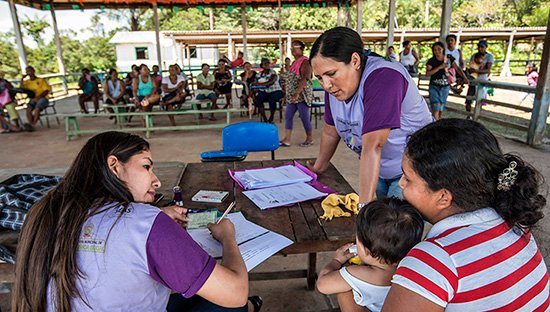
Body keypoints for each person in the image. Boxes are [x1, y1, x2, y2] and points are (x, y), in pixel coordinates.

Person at [12, 131, 263, 312]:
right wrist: (227, 237)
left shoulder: (43, 213)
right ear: (114, 166)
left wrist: (160, 216)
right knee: (232, 304)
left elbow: (98, 233)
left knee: (197, 292)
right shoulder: (144, 222)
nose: (155, 181)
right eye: (146, 167)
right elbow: (235, 292)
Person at [382, 118, 549, 311]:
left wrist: (349, 289)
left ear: (443, 197)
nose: (401, 184)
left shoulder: (434, 261)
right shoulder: (517, 224)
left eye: (408, 179)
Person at [308, 27, 432, 203]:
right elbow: (330, 131)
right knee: (384, 219)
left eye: (331, 74)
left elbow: (373, 147)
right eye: (320, 77)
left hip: (413, 172)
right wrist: (318, 168)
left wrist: (363, 208)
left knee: (393, 224)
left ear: (355, 60)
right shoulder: (335, 88)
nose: (326, 85)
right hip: (380, 168)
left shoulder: (384, 77)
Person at [316, 197, 424, 312]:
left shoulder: (358, 274)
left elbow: (322, 284)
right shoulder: (416, 272)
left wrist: (336, 261)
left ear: (365, 250)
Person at [279, 40, 314, 147]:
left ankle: (309, 138)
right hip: (292, 95)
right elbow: (293, 76)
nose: (293, 50)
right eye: (292, 48)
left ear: (302, 49)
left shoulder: (305, 62)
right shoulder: (294, 62)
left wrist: (297, 93)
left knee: (304, 116)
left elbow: (305, 77)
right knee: (288, 115)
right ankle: (287, 139)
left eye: (296, 47)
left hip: (300, 95)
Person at [425, 42, 468, 120]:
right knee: (436, 106)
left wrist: (464, 77)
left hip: (445, 87)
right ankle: (435, 123)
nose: (437, 52)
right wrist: (439, 67)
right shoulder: (431, 61)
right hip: (434, 86)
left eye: (439, 49)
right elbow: (428, 73)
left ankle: (437, 121)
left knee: (441, 106)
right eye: (435, 50)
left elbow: (457, 68)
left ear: (443, 49)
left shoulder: (449, 58)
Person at [464, 39, 494, 113]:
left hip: (482, 81)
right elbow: (470, 66)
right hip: (473, 80)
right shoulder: (474, 55)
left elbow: (488, 70)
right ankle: (469, 115)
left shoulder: (489, 56)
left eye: (482, 47)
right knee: (468, 100)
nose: (480, 48)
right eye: (479, 47)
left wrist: (476, 71)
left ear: (485, 47)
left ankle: (476, 115)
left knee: (479, 101)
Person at [253, 58, 284, 123]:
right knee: (258, 98)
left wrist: (259, 84)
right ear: (262, 66)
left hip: (276, 91)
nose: (267, 65)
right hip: (265, 92)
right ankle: (264, 118)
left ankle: (271, 116)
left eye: (268, 63)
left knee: (272, 98)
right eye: (265, 63)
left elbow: (271, 82)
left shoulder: (273, 72)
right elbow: (254, 83)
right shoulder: (258, 75)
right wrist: (256, 85)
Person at [21, 66, 50, 131]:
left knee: (37, 108)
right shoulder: (27, 82)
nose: (29, 73)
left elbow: (46, 91)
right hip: (33, 99)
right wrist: (22, 79)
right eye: (27, 71)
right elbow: (22, 88)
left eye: (30, 71)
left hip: (43, 98)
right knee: (28, 109)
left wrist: (38, 97)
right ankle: (30, 124)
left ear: (34, 71)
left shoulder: (41, 80)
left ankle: (33, 124)